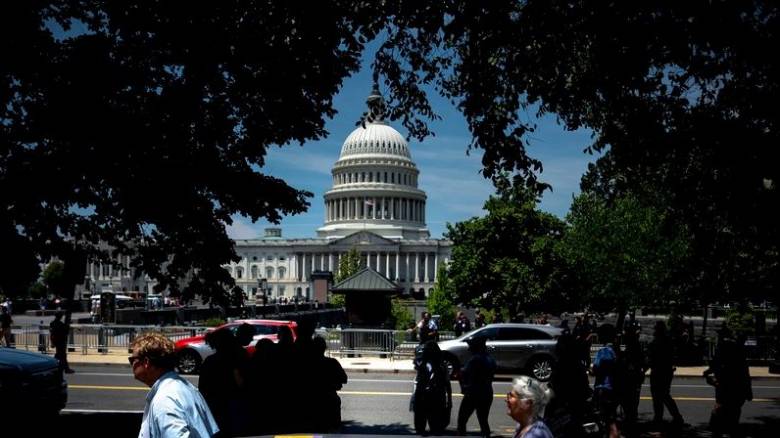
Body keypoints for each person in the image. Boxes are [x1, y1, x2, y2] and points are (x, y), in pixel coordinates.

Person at [130, 332, 219, 438]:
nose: (132, 364)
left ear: (146, 362)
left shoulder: (165, 400)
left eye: (132, 360)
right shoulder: (186, 388)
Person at [198, 328, 250, 437]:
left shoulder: (209, 361)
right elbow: (242, 383)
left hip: (215, 407)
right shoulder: (239, 357)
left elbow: (202, 388)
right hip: (234, 404)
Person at [703, 327, 753, 437]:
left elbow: (717, 366)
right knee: (732, 417)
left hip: (727, 390)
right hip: (735, 390)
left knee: (719, 418)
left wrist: (708, 376)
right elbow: (745, 373)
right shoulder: (735, 350)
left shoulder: (724, 348)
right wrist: (748, 391)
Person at [544, 333, 589, 437]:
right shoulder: (578, 365)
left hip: (563, 410)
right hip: (575, 411)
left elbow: (555, 388)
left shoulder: (561, 366)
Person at [457, 336, 496, 437]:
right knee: (483, 420)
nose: (469, 348)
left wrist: (463, 387)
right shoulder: (490, 359)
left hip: (473, 394)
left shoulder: (475, 360)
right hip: (487, 393)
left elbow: (463, 374)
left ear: (476, 347)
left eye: (471, 346)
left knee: (462, 420)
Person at [647, 321, 684, 426]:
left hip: (658, 372)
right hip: (666, 372)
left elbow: (651, 358)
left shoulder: (655, 343)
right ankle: (672, 417)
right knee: (664, 396)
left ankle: (661, 418)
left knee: (658, 396)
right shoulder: (668, 341)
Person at [412, 340, 452, 435]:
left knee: (420, 427)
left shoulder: (422, 364)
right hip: (437, 397)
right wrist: (449, 400)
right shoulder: (442, 365)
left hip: (423, 396)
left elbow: (418, 383)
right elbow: (447, 383)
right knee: (435, 428)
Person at [311, 336, 348, 431]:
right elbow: (344, 378)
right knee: (334, 428)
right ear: (324, 348)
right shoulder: (332, 362)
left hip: (312, 401)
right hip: (329, 398)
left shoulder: (307, 364)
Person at [592, 324, 620, 438]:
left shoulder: (603, 351)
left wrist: (592, 370)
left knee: (606, 421)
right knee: (611, 419)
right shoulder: (614, 350)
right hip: (613, 388)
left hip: (603, 388)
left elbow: (597, 368)